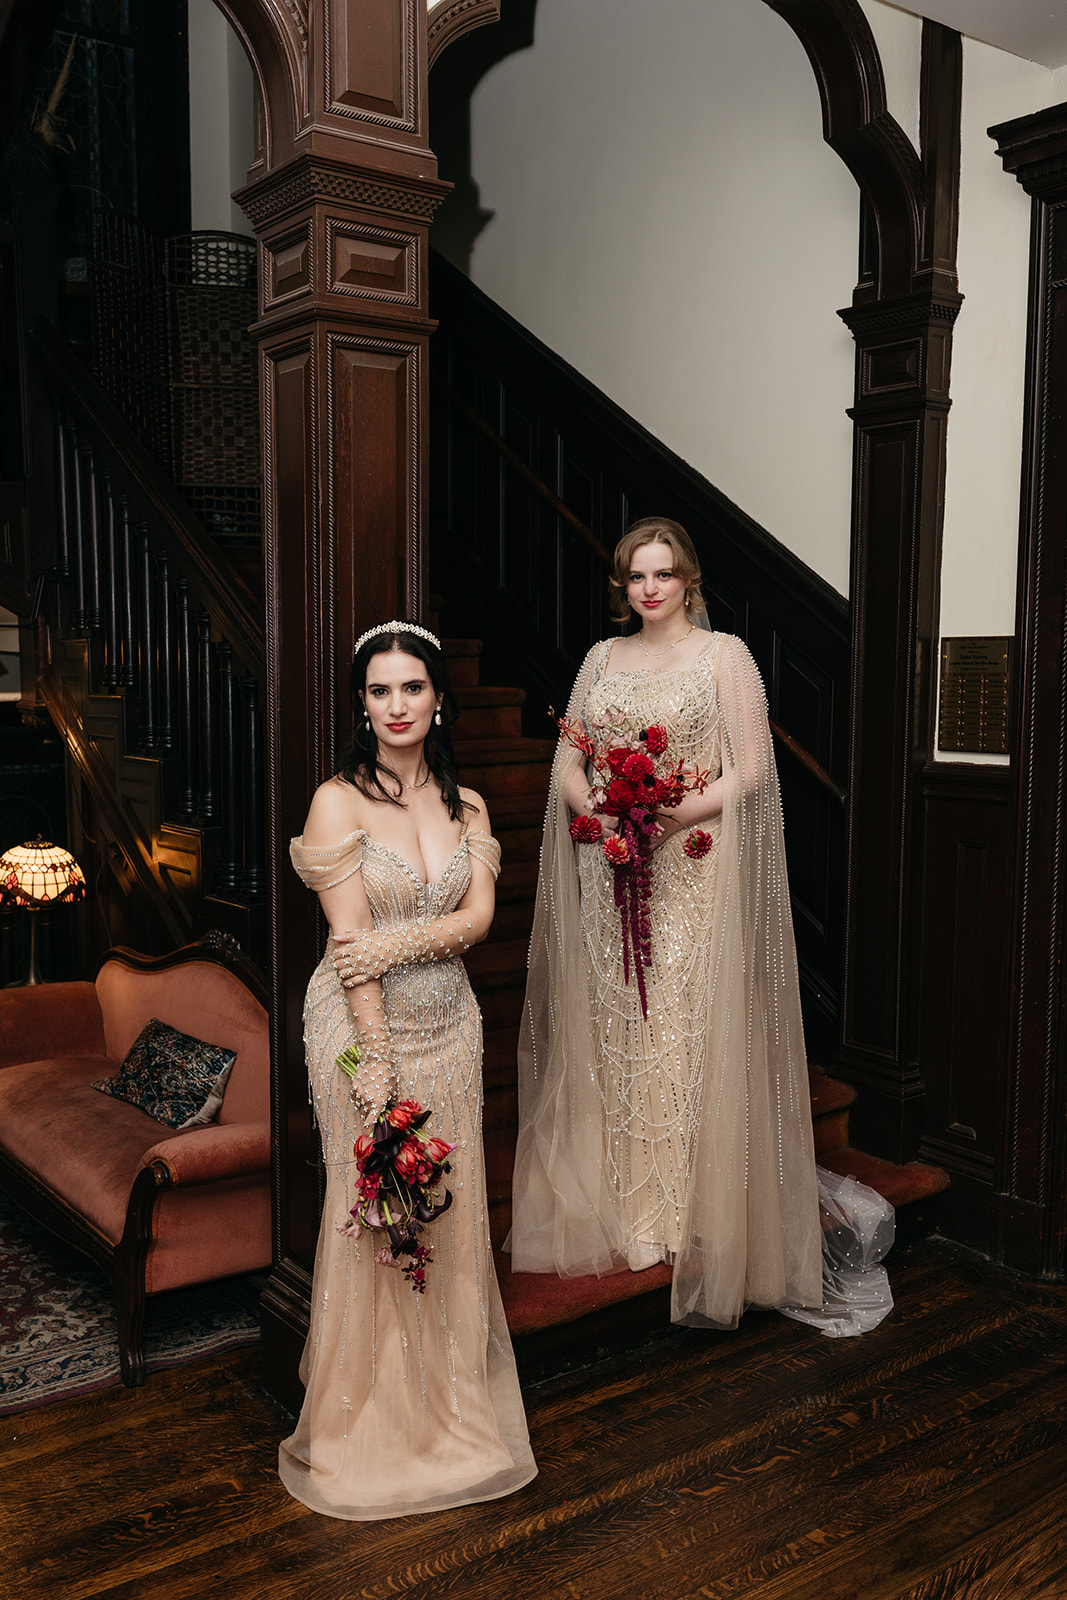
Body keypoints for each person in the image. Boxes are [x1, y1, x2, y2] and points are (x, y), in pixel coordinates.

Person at [508, 519, 892, 1336]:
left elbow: (751, 770)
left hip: (689, 874)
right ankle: (624, 1210)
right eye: (635, 577)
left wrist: (662, 819)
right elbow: (563, 763)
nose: (649, 588)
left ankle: (692, 1216)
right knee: (616, 1030)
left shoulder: (726, 658)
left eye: (663, 574)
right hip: (609, 868)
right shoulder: (598, 661)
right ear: (623, 586)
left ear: (688, 579)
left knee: (681, 1029)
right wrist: (605, 817)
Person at [278, 622, 537, 1519]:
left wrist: (407, 941)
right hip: (360, 1031)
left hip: (452, 1024)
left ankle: (446, 1409)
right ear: (361, 702)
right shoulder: (335, 803)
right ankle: (371, 1418)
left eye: (412, 689)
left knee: (447, 1211)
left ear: (438, 698)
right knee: (375, 1215)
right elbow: (349, 954)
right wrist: (377, 1073)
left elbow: (480, 919)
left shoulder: (464, 805)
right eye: (380, 691)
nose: (397, 706)